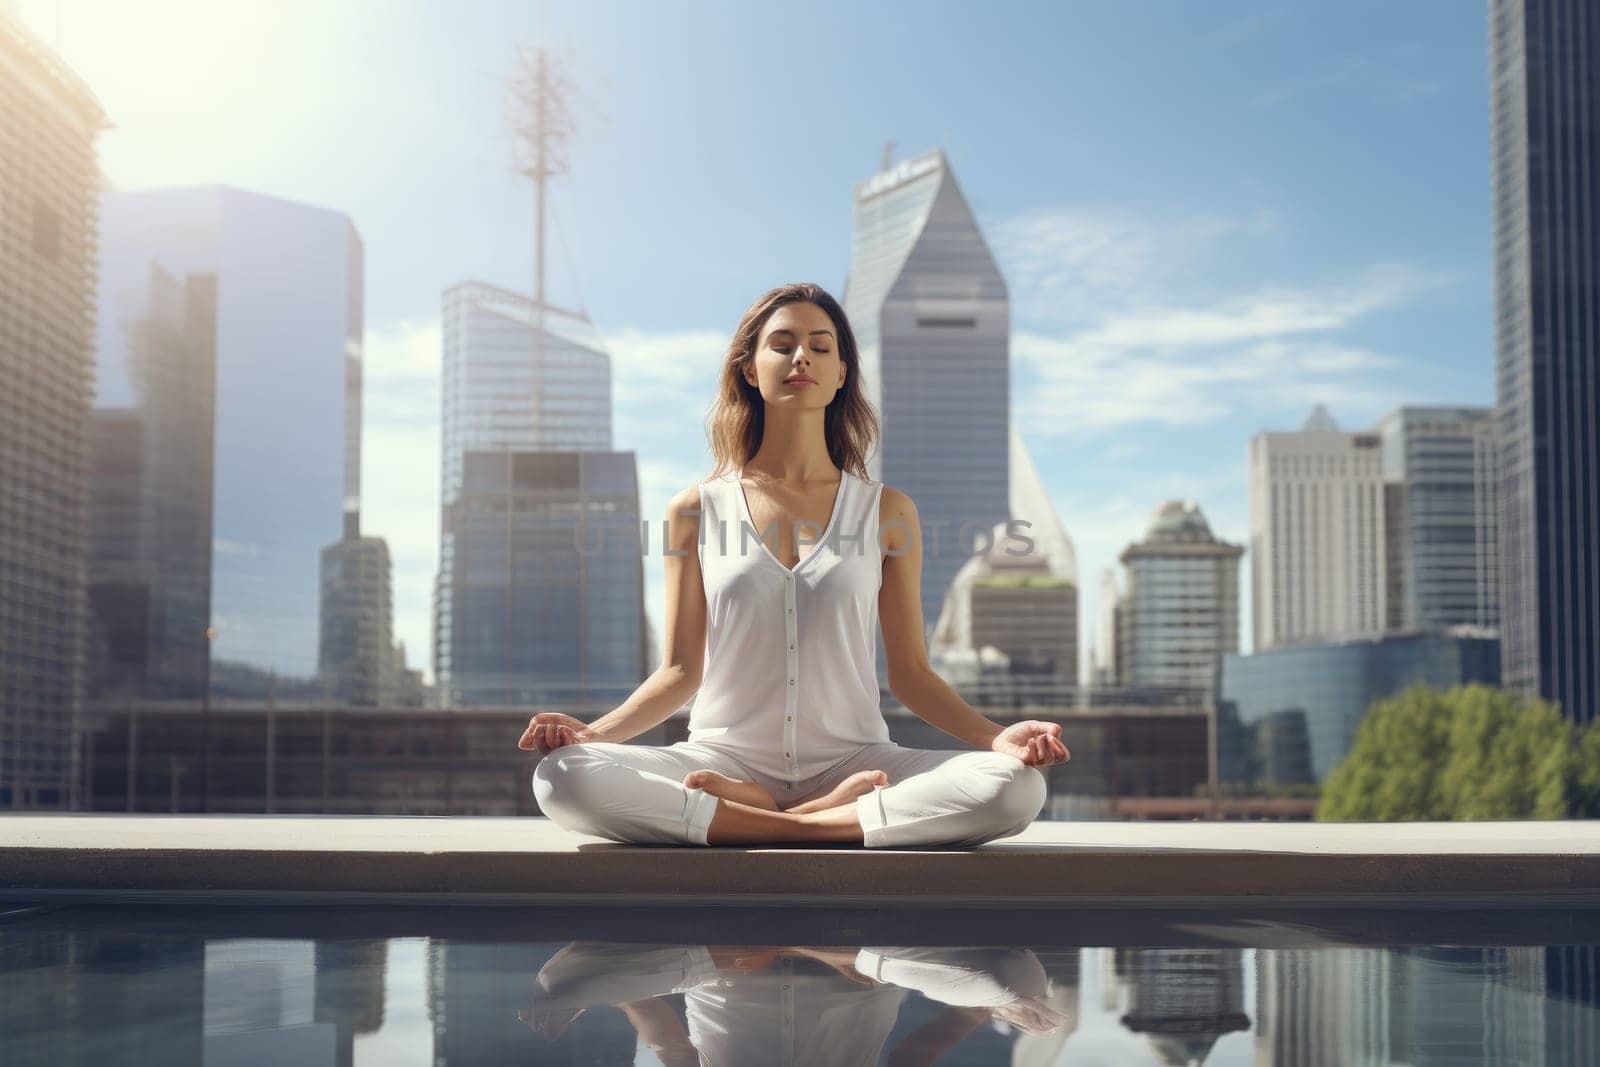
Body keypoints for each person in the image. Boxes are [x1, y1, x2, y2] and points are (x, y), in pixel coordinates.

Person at [517, 282, 1070, 846]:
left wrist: (998, 738)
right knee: (563, 777)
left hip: (854, 758)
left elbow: (911, 675)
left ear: (841, 374)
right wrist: (592, 734)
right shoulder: (694, 509)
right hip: (722, 759)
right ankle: (816, 823)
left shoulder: (888, 511)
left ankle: (767, 822)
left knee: (1015, 788)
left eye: (820, 346)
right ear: (751, 371)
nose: (801, 355)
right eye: (781, 344)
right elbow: (681, 670)